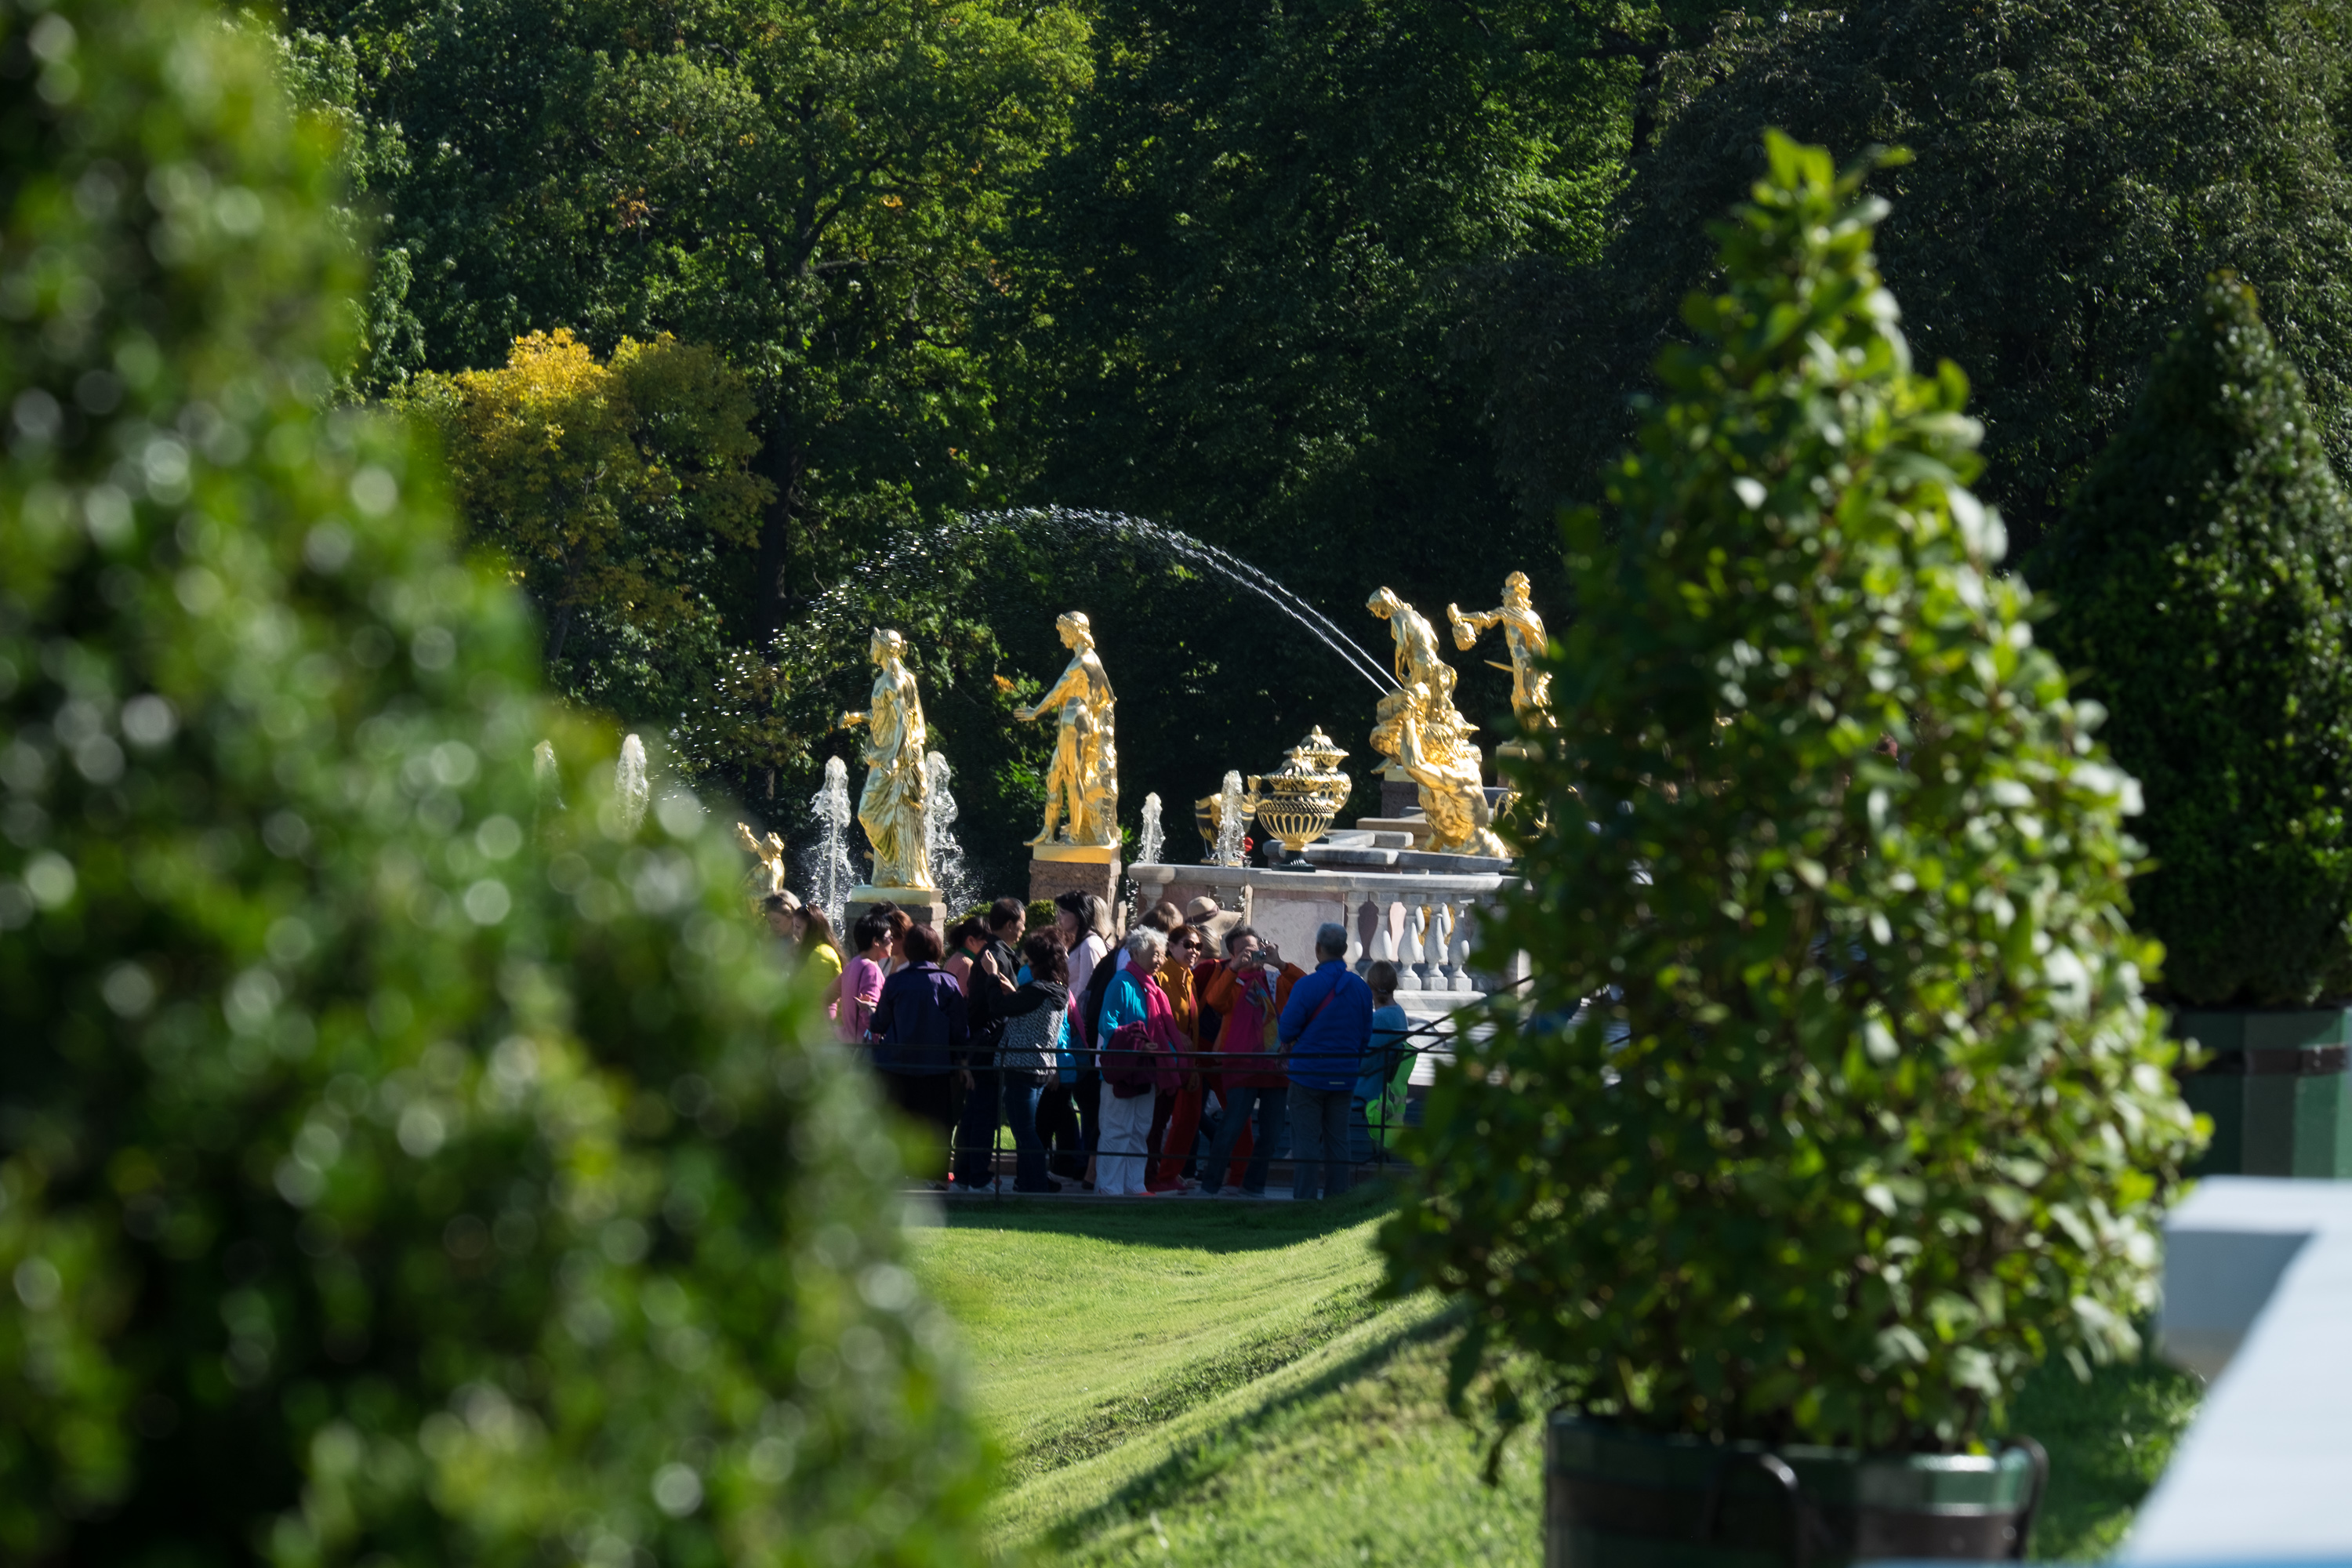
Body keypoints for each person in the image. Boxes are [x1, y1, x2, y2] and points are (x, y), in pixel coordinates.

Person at [1191, 925, 1304, 1198]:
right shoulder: (1231, 980)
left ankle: (1253, 1186)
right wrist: (1233, 970)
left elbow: (1302, 987)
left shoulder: (1277, 980)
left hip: (1275, 1067)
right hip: (1240, 1065)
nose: (1251, 954)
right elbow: (1215, 1001)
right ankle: (1211, 1186)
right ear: (1232, 953)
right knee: (1231, 1127)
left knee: (1273, 1132)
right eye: (1244, 950)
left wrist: (1280, 963)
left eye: (1255, 948)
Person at [1279, 922, 1375, 1200]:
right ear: (1345, 950)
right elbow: (1365, 1035)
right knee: (1339, 1140)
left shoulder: (1306, 985)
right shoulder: (1360, 988)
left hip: (1308, 1074)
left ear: (1317, 949)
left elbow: (1286, 1031)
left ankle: (1305, 1200)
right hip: (1344, 1073)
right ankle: (1338, 1200)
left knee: (1306, 1141)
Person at [866, 923, 967, 1185]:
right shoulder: (947, 982)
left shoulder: (896, 981)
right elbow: (959, 1030)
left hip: (896, 1065)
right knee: (937, 1126)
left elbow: (880, 1024)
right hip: (936, 1068)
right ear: (936, 949)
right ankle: (935, 1178)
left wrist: (870, 1014)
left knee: (896, 1123)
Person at [1094, 927, 1181, 1195]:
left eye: (1162, 954)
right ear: (1134, 953)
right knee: (1116, 1129)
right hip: (1124, 1069)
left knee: (1140, 1129)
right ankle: (1109, 1188)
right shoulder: (1121, 982)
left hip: (1146, 1069)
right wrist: (1139, 1041)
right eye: (1155, 954)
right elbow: (1107, 1024)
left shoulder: (1153, 988)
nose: (1160, 960)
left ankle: (1134, 1185)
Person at [993, 931, 1071, 1192]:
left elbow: (998, 1008)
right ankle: (1027, 1180)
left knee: (1025, 1132)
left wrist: (992, 976)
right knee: (1030, 1131)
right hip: (1041, 1066)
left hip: (1020, 1066)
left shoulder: (1036, 990)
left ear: (1039, 963)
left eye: (1030, 961)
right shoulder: (1058, 990)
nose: (1027, 965)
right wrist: (1014, 993)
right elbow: (1030, 1011)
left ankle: (1037, 1182)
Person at [950, 906, 1020, 1189]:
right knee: (983, 1114)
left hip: (979, 1041)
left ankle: (967, 1176)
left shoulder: (989, 953)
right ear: (1010, 924)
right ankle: (978, 1177)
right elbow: (1001, 1005)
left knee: (974, 1113)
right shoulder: (997, 956)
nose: (1023, 930)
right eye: (1021, 924)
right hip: (989, 1043)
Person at [1355, 961, 1411, 1160]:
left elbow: (1362, 1064)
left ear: (1370, 987)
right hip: (1381, 1081)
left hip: (1369, 1086)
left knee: (1316, 1084)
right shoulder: (1399, 1013)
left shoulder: (1382, 1018)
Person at [837, 910, 889, 1044]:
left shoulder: (852, 964)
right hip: (865, 1050)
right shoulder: (871, 970)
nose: (892, 942)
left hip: (849, 1045)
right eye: (889, 938)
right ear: (876, 941)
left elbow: (826, 996)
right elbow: (869, 1015)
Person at [795, 904, 846, 1009]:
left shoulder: (820, 954)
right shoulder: (819, 950)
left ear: (812, 928)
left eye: (798, 927)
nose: (794, 932)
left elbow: (820, 999)